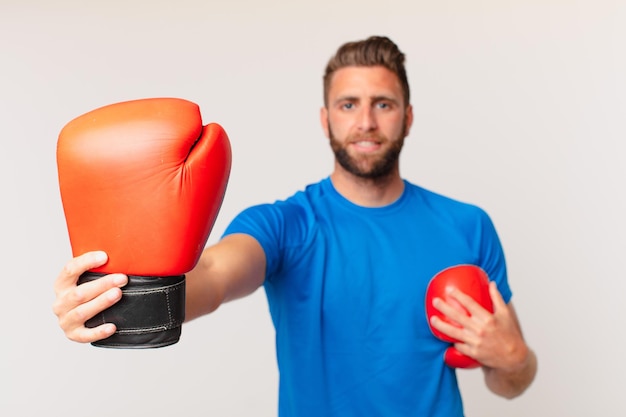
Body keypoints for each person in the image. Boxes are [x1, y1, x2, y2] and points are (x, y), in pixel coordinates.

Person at [53, 35, 537, 416]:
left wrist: (514, 359)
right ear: (325, 120)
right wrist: (124, 300)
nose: (365, 121)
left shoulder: (467, 227)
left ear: (407, 118)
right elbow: (216, 276)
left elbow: (511, 379)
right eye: (349, 105)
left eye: (383, 104)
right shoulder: (286, 224)